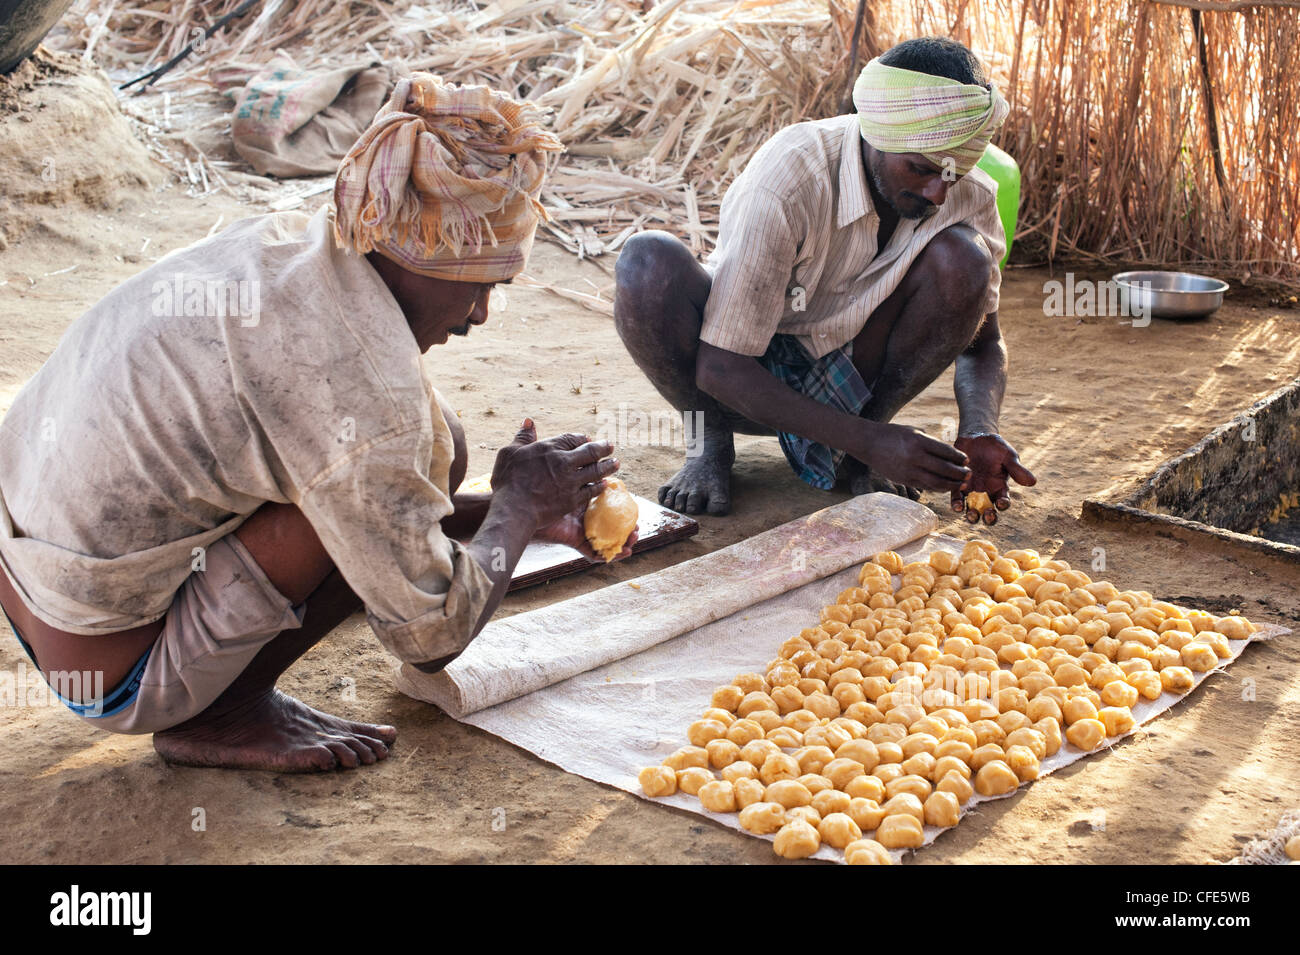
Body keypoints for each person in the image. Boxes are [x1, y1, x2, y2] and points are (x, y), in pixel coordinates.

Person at [0, 73, 631, 772]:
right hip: (114, 667)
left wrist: (503, 513)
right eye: (480, 283)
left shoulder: (300, 243)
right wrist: (516, 507)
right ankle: (224, 710)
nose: (480, 314)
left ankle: (217, 674)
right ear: (422, 258)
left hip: (31, 582)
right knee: (405, 449)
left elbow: (373, 481)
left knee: (433, 442)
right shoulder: (363, 395)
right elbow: (433, 639)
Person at [614, 36, 1036, 520]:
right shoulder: (793, 174)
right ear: (877, 134)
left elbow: (985, 344)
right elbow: (720, 366)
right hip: (735, 373)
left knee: (967, 257)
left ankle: (859, 445)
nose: (939, 194)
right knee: (647, 263)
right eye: (920, 169)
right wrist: (873, 442)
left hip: (854, 369)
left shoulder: (968, 194)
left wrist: (979, 425)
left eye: (953, 175)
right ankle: (708, 441)